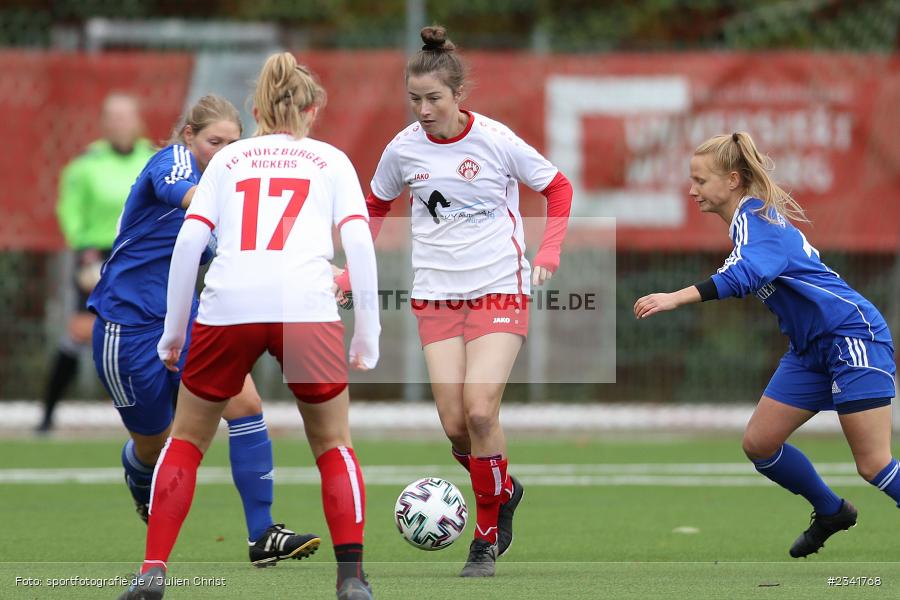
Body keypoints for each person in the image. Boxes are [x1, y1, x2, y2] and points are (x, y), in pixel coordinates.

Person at [117, 54, 380, 600]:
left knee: (187, 440)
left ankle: (152, 574)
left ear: (256, 109)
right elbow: (359, 243)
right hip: (306, 308)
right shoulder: (331, 159)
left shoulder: (229, 160)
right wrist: (366, 332)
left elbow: (190, 244)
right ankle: (351, 579)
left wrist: (172, 332)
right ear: (311, 109)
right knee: (333, 444)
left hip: (229, 307)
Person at [335, 25, 573, 577]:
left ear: (457, 95)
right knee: (454, 425)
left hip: (500, 286)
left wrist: (550, 251)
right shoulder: (402, 149)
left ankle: (484, 539)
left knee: (480, 409)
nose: (422, 109)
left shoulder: (495, 139)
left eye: (433, 98)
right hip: (436, 295)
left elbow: (557, 187)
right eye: (414, 99)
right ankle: (502, 489)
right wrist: (349, 273)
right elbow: (374, 207)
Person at [634, 131, 899, 558]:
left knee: (873, 464)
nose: (692, 189)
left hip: (851, 337)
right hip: (811, 350)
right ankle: (831, 511)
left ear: (733, 180)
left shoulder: (757, 222)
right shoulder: (748, 222)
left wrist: (673, 298)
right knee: (759, 443)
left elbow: (742, 277)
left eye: (701, 180)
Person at [88, 94, 316, 568]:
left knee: (247, 404)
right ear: (190, 136)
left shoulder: (226, 190)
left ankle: (263, 534)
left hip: (187, 318)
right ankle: (138, 470)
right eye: (215, 141)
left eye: (234, 143)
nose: (224, 151)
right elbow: (189, 198)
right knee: (157, 444)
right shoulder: (171, 161)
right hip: (125, 327)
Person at [37, 93, 155, 433]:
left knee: (154, 332)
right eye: (113, 117)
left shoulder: (153, 159)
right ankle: (47, 416)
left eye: (125, 116)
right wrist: (83, 248)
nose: (120, 123)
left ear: (137, 121)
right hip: (98, 256)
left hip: (141, 255)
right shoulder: (85, 165)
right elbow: (69, 210)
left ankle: (163, 414)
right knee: (80, 332)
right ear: (104, 123)